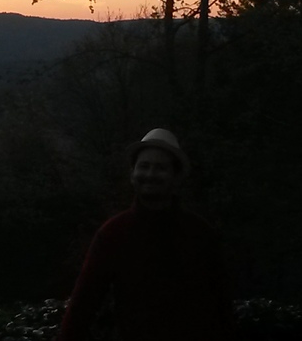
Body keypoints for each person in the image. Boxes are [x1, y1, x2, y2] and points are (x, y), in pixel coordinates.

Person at [58, 128, 234, 341]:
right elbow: (83, 305)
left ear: (176, 176)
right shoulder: (113, 234)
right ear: (132, 174)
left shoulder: (200, 234)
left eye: (160, 168)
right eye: (144, 166)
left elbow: (222, 305)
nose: (150, 174)